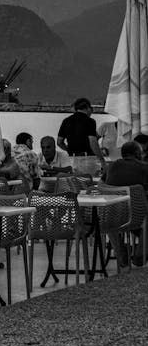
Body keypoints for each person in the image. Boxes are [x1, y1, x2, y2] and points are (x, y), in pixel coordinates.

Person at [103, 141, 148, 269]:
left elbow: (102, 185)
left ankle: (121, 254)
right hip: (137, 216)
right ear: (137, 153)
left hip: (114, 216)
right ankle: (140, 256)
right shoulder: (144, 167)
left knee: (108, 221)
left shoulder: (111, 167)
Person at [57, 98, 104, 162]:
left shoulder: (66, 121)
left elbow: (59, 142)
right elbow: (93, 142)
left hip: (72, 159)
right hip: (87, 158)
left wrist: (69, 150)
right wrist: (102, 159)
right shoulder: (90, 121)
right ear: (87, 108)